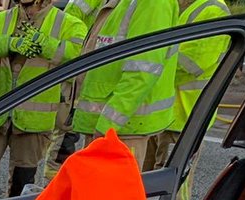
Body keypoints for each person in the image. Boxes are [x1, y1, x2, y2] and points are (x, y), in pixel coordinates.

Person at [0, 0, 87, 200]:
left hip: (34, 122)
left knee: (21, 190)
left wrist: (43, 44)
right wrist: (9, 43)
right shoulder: (1, 20)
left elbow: (79, 54)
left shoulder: (68, 24)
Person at [144, 0, 231, 200]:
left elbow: (191, 64)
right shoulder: (178, 7)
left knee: (173, 181)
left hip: (185, 117)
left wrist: (151, 64)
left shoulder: (212, 10)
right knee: (150, 178)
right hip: (158, 114)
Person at [67, 0, 179, 169]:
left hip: (121, 130)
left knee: (112, 193)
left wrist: (107, 126)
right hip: (111, 128)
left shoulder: (152, 4)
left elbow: (141, 74)